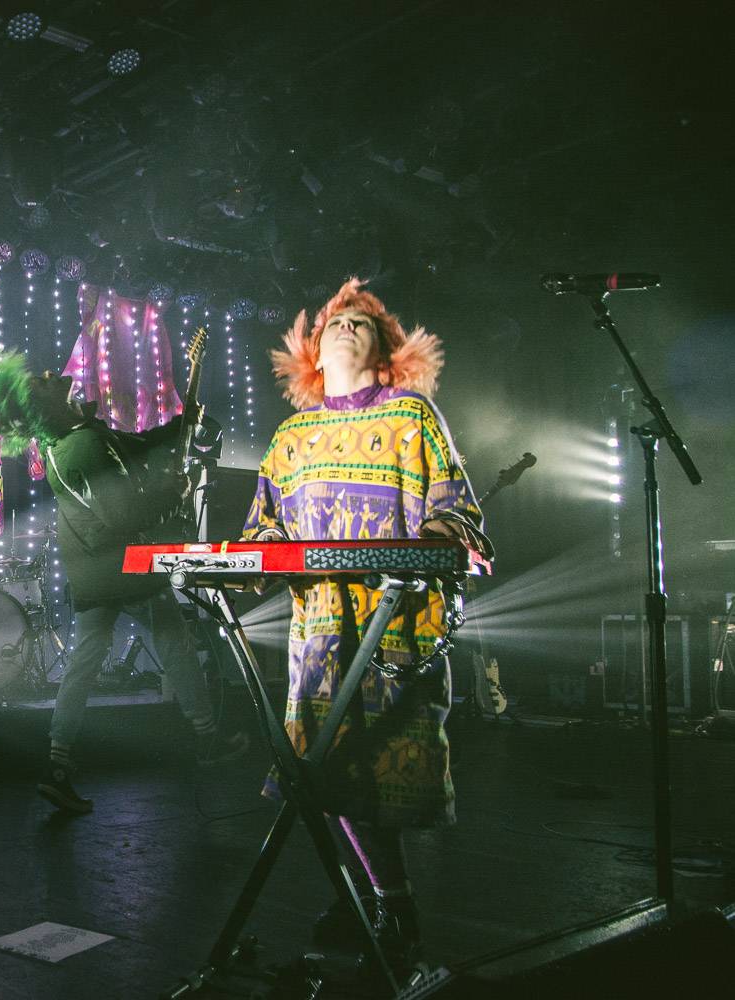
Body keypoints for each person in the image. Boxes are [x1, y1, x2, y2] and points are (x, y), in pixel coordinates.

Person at [241, 278, 492, 972]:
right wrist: (244, 567)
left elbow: (456, 507)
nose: (346, 327)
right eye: (335, 322)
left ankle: (390, 901)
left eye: (362, 322)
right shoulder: (291, 435)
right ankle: (380, 900)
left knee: (382, 773)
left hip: (394, 628)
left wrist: (435, 546)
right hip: (321, 634)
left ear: (386, 349)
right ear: (312, 349)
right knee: (322, 775)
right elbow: (263, 528)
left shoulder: (414, 416)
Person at [0, 350, 246, 816]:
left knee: (85, 661)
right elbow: (121, 516)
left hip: (94, 569)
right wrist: (170, 494)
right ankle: (207, 737)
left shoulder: (79, 439)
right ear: (45, 408)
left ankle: (57, 766)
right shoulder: (82, 448)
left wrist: (182, 422)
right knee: (173, 639)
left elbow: (137, 445)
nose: (51, 372)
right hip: (121, 565)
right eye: (43, 380)